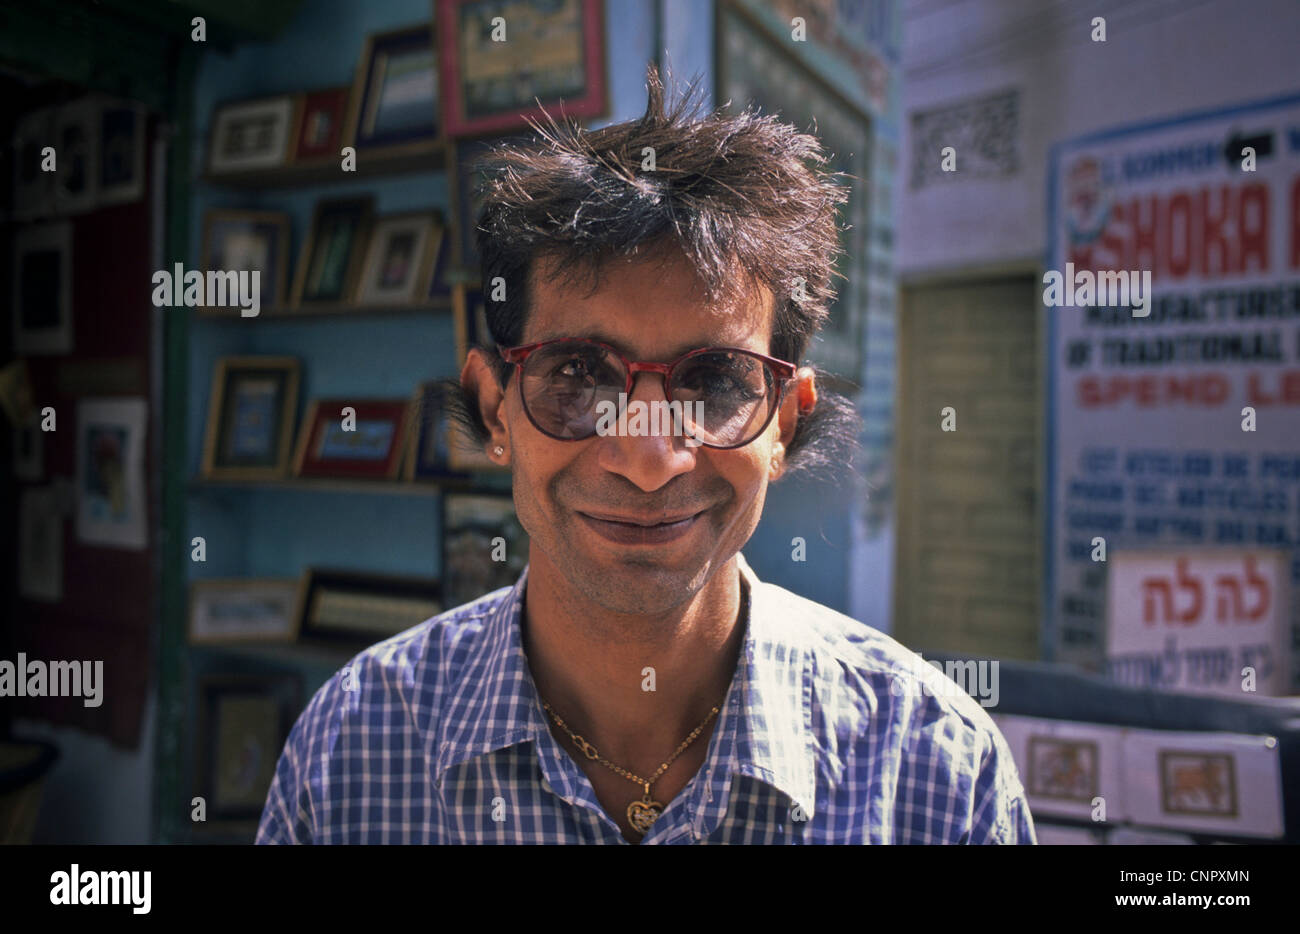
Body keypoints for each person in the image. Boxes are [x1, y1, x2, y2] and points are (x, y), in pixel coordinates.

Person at [257, 66, 1036, 845]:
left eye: (716, 381)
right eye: (577, 375)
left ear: (783, 428)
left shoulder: (934, 774)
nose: (649, 458)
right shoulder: (351, 751)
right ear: (496, 409)